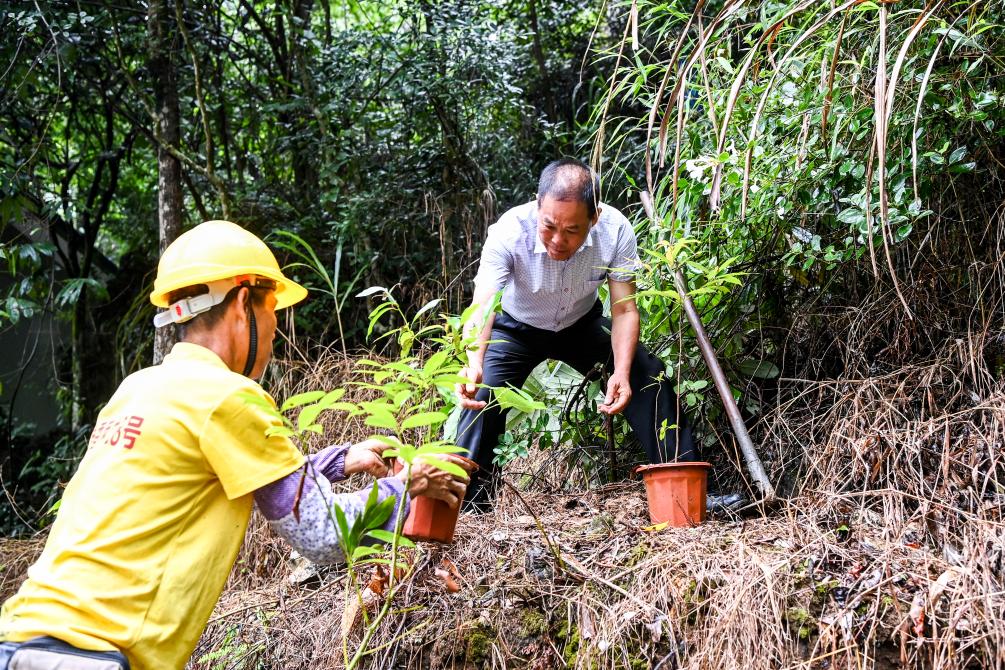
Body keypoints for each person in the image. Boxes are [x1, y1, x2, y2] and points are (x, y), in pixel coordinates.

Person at [0, 220, 469, 670]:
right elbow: (324, 535)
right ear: (244, 301)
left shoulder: (139, 388)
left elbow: (221, 476)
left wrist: (340, 460)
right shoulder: (228, 395)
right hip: (91, 655)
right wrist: (409, 483)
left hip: (21, 637)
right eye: (272, 313)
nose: (275, 331)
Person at [455, 159, 696, 509]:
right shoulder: (509, 231)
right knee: (481, 395)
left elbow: (625, 309)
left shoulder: (614, 230)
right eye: (549, 226)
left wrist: (622, 374)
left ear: (594, 218)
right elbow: (482, 305)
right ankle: (470, 510)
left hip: (582, 324)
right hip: (515, 328)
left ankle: (683, 496)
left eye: (572, 231)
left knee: (649, 379)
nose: (558, 240)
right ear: (537, 205)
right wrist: (474, 361)